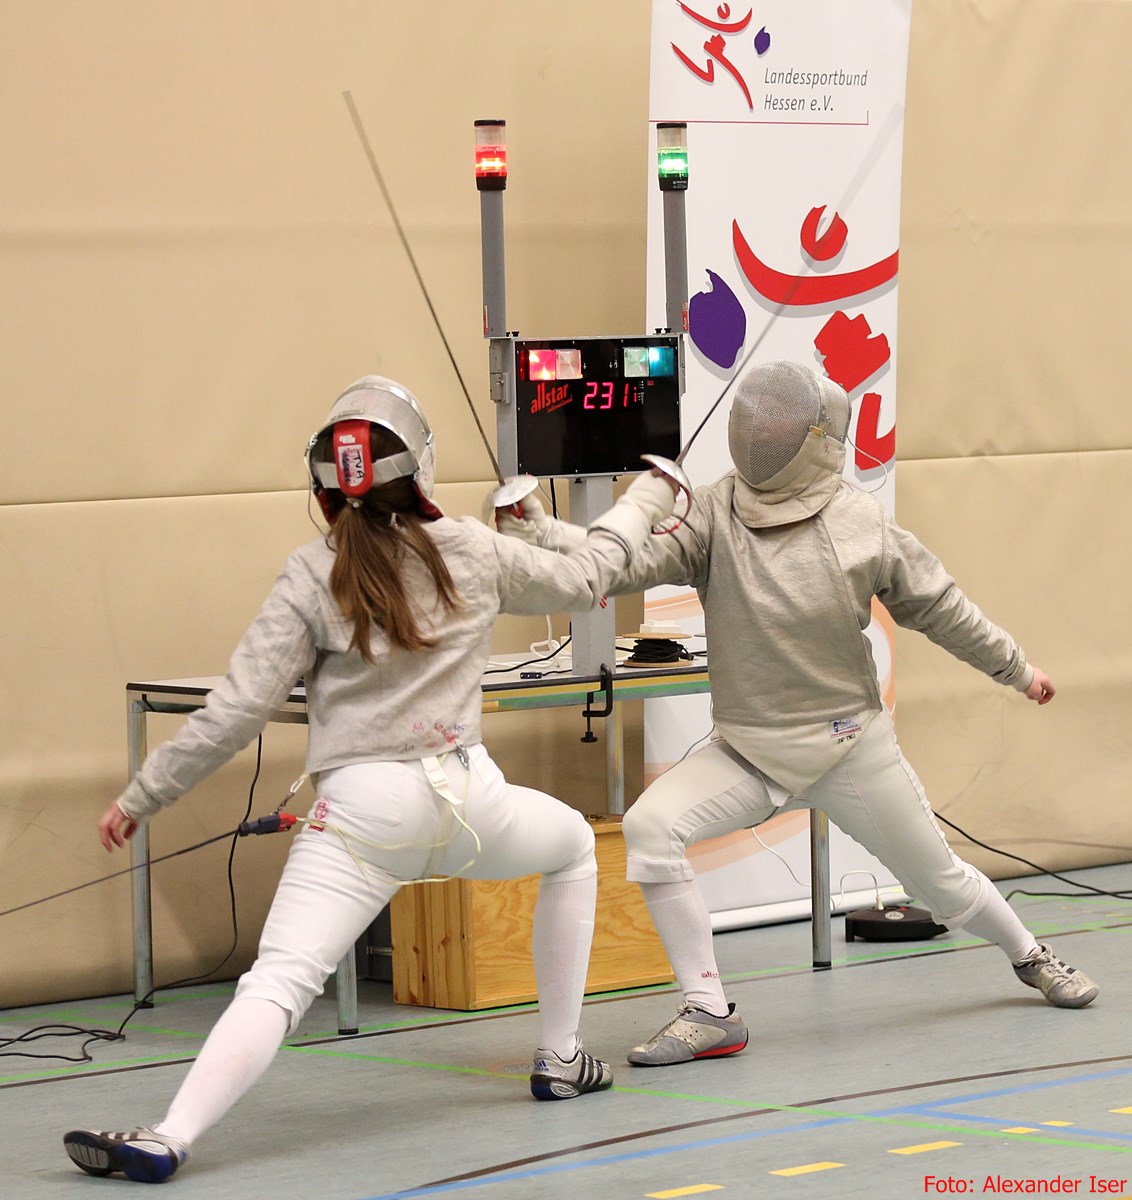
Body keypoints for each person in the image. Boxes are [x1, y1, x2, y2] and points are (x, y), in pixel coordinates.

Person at [62, 375, 677, 1183]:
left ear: (321, 486)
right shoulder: (470, 547)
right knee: (571, 846)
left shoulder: (312, 570)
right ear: (420, 468)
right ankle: (560, 1055)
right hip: (470, 803)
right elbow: (592, 575)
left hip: (363, 817)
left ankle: (169, 1136)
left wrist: (142, 796)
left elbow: (237, 711)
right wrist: (649, 496)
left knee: (281, 979)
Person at [497, 358, 1098, 1069]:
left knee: (938, 882)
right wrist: (543, 533)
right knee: (652, 827)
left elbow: (942, 608)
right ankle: (709, 1011)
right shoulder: (715, 512)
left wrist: (1016, 669)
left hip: (848, 746)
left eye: (777, 424)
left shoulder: (860, 523)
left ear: (808, 438)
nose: (764, 434)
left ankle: (1029, 955)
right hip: (749, 751)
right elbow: (623, 562)